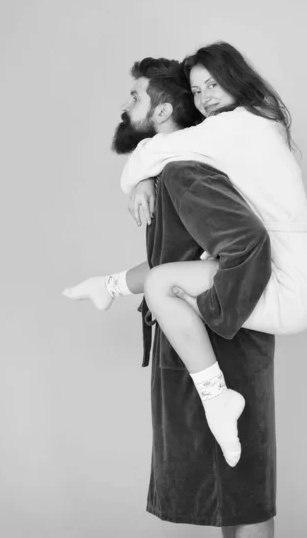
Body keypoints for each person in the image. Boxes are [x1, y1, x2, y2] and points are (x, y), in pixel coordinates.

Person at [63, 56, 276, 536]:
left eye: (135, 96)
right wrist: (114, 284)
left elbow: (242, 248)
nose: (126, 105)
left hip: (222, 346)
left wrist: (214, 312)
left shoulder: (184, 172)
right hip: (198, 344)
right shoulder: (168, 172)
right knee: (228, 498)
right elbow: (175, 265)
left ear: (161, 112)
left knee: (242, 496)